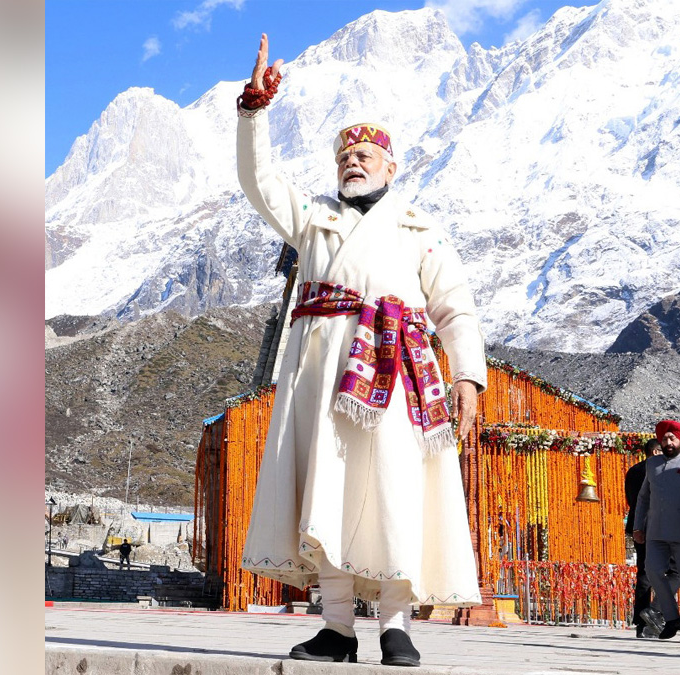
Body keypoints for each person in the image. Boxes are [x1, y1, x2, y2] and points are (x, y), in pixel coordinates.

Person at [236, 34, 488, 667]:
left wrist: (469, 378)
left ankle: (397, 625)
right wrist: (253, 111)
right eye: (346, 154)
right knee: (329, 488)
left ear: (391, 166)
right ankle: (338, 628)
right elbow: (257, 179)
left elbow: (455, 306)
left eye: (367, 154)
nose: (355, 160)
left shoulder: (420, 231)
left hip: (397, 376)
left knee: (395, 487)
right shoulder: (312, 218)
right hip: (321, 377)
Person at [632, 420, 680, 644]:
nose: (668, 442)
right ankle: (672, 618)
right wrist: (638, 526)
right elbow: (644, 497)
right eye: (665, 438)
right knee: (652, 571)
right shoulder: (652, 464)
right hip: (655, 530)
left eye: (672, 438)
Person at [624, 438, 661, 638]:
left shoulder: (632, 471)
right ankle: (656, 614)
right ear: (655, 452)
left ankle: (641, 622)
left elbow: (630, 501)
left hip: (639, 528)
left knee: (644, 575)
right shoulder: (658, 471)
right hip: (659, 528)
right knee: (672, 571)